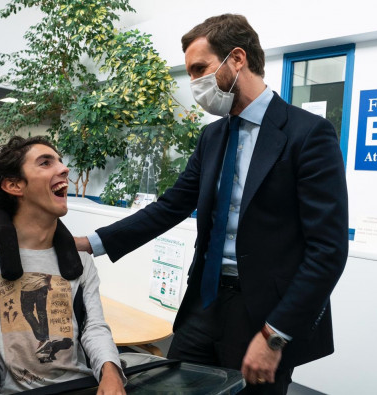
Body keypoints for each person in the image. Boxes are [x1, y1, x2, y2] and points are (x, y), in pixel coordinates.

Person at [76, 14, 348, 394]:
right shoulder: (212, 136)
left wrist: (275, 335)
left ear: (237, 59)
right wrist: (89, 243)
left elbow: (328, 250)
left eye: (200, 69)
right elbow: (171, 206)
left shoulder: (308, 134)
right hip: (205, 302)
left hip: (266, 315)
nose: (195, 84)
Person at [0, 136, 126, 394]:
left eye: (61, 162)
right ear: (14, 185)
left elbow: (94, 327)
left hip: (77, 386)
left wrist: (111, 373)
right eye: (45, 163)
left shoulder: (80, 260)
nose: (64, 169)